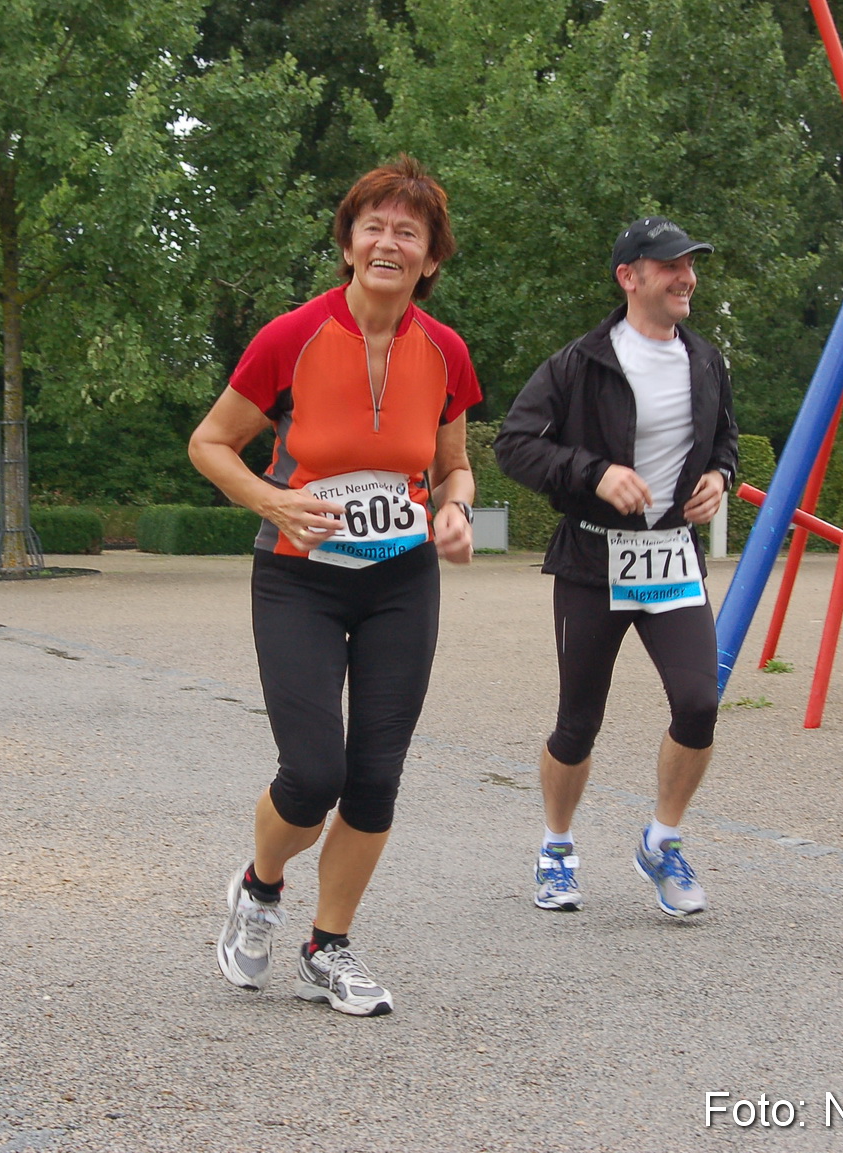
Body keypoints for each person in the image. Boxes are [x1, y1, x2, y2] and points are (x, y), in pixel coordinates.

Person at [190, 157, 478, 1017]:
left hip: (402, 580)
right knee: (314, 770)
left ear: (430, 259)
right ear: (349, 243)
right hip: (298, 579)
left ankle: (330, 946)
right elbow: (210, 443)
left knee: (377, 775)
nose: (389, 242)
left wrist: (456, 511)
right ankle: (260, 885)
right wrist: (274, 496)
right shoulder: (290, 336)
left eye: (409, 233)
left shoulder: (448, 351)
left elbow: (455, 468)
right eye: (374, 227)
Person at [495, 217, 737, 919]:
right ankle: (557, 847)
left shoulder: (706, 360)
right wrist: (594, 473)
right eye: (671, 266)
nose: (686, 276)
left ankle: (662, 842)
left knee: (699, 703)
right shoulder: (579, 362)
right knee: (579, 721)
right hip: (593, 559)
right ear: (629, 276)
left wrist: (721, 477)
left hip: (670, 556)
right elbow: (514, 445)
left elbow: (725, 442)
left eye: (691, 265)